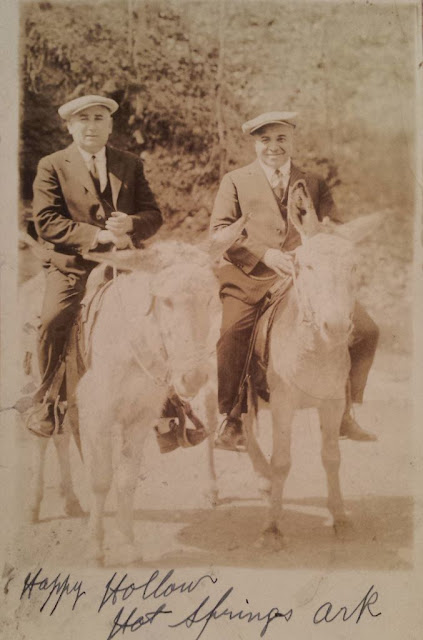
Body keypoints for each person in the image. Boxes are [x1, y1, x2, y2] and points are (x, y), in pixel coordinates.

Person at [210, 111, 379, 451]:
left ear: (292, 141)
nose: (273, 146)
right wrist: (265, 254)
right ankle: (232, 416)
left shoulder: (314, 181)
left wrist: (320, 244)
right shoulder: (235, 181)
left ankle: (345, 410)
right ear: (255, 144)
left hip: (307, 272)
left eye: (281, 138)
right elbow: (219, 232)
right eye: (265, 140)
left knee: (366, 330)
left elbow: (333, 228)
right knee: (232, 331)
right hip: (250, 274)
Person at [28, 94, 162, 437]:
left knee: (165, 311)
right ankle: (49, 401)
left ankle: (171, 405)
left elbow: (153, 214)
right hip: (74, 264)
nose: (91, 126)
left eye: (99, 118)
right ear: (70, 127)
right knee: (52, 319)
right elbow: (46, 221)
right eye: (83, 119)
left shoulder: (129, 163)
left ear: (110, 125)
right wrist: (98, 235)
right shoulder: (52, 165)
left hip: (127, 262)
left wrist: (130, 224)